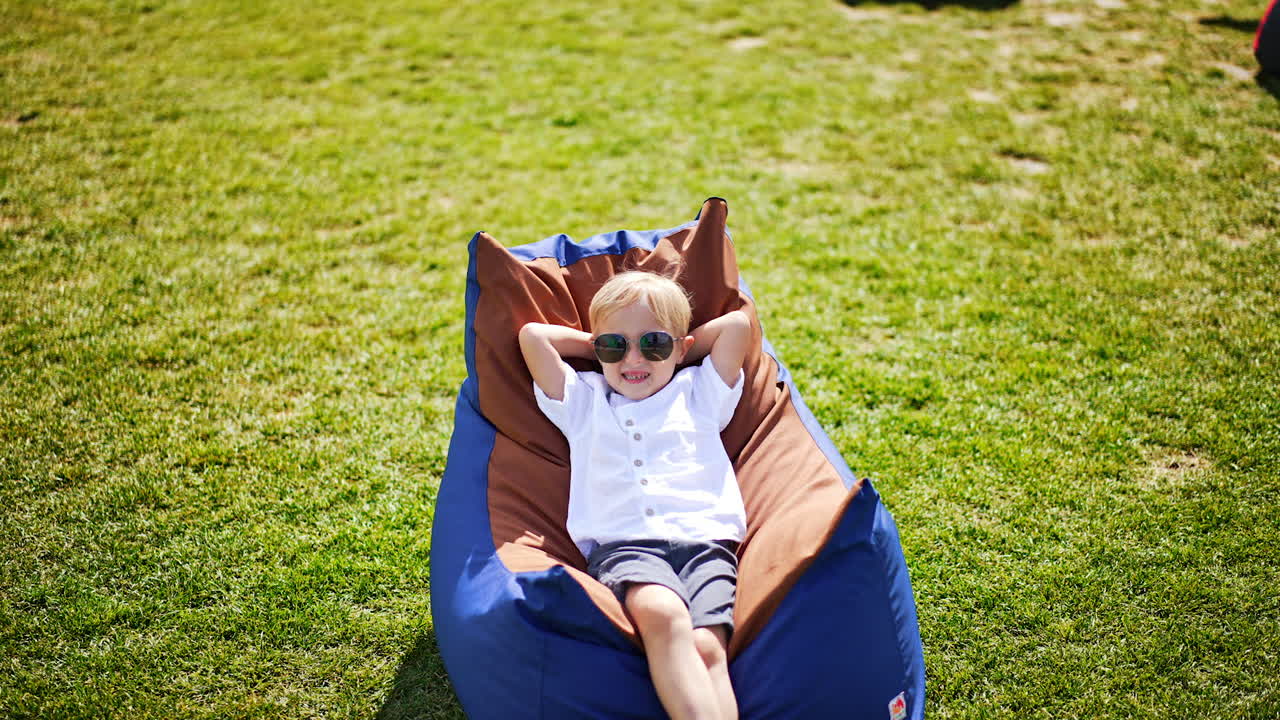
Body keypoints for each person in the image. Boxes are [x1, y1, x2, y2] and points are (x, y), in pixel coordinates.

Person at [519, 270, 751, 720]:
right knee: (663, 615)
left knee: (707, 647)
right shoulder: (585, 402)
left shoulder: (699, 392)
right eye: (614, 347)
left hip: (707, 542)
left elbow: (736, 327)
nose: (633, 360)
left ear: (681, 349)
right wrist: (595, 344)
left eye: (654, 345)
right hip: (624, 545)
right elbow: (533, 338)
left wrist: (678, 344)